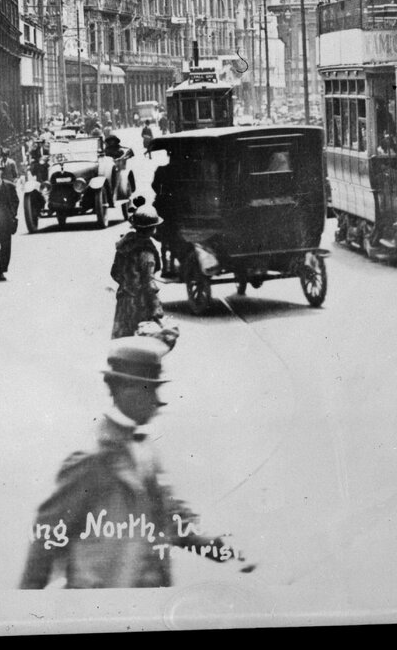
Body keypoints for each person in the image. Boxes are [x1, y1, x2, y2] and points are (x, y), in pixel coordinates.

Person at [19, 338, 251, 588]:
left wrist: (226, 551)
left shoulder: (144, 446)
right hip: (102, 605)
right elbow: (48, 535)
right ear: (125, 390)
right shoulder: (92, 459)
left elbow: (171, 516)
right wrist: (28, 607)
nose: (158, 401)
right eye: (150, 390)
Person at [110, 206, 167, 339]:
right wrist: (156, 309)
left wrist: (127, 284)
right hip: (139, 305)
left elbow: (115, 272)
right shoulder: (147, 253)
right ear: (152, 229)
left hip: (123, 302)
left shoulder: (125, 245)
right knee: (140, 347)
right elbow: (149, 284)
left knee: (122, 344)